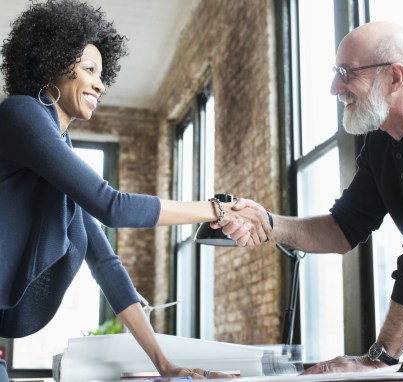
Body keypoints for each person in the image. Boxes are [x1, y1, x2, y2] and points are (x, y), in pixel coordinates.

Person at [0, 1, 270, 381]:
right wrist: (218, 209)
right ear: (52, 64)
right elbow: (112, 207)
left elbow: (105, 264)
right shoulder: (21, 113)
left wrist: (166, 365)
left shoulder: (57, 155)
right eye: (89, 69)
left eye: (102, 73)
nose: (100, 83)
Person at [230, 20, 403, 373]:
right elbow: (342, 227)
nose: (335, 87)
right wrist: (268, 222)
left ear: (395, 77)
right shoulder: (380, 144)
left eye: (346, 72)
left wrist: (378, 360)